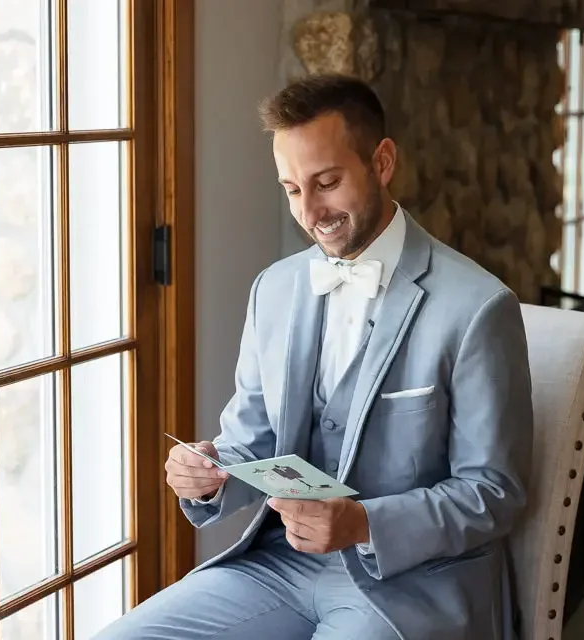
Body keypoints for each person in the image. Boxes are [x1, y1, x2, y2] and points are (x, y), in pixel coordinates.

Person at [95, 73, 533, 640]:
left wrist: (362, 522)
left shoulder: (477, 307)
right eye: (293, 189)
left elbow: (494, 493)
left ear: (381, 162)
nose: (311, 212)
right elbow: (251, 440)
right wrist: (209, 473)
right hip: (279, 567)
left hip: (413, 586)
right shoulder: (273, 290)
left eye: (327, 182)